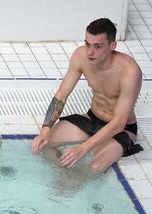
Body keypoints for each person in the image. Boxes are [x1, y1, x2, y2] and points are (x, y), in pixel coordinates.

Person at [31, 18, 143, 173]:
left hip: (121, 130)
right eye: (87, 44)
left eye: (97, 46)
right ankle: (64, 180)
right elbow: (61, 95)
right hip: (92, 119)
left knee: (94, 168)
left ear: (112, 46)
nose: (90, 52)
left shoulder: (130, 72)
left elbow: (119, 122)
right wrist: (45, 128)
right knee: (44, 144)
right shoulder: (80, 57)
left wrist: (82, 149)